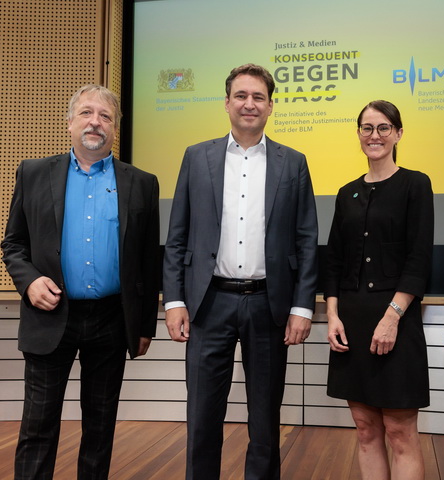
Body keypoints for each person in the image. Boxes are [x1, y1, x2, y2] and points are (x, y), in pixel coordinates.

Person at [163, 63, 318, 480]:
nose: (250, 104)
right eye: (241, 96)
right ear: (227, 102)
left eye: (258, 97)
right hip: (207, 304)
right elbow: (178, 235)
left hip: (269, 306)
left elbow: (306, 240)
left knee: (265, 420)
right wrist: (175, 300)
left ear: (271, 106)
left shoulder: (294, 163)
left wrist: (303, 308)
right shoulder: (197, 157)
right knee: (201, 416)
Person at [1, 84, 160, 479]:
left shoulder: (142, 182)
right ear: (70, 122)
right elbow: (14, 244)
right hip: (50, 315)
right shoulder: (34, 173)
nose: (95, 122)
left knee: (100, 427)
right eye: (87, 113)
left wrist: (143, 327)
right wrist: (30, 281)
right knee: (38, 426)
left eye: (105, 116)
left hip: (111, 319)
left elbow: (147, 261)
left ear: (115, 128)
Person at [325, 100, 434, 480]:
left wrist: (392, 318)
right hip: (351, 322)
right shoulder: (346, 193)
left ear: (398, 133)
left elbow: (419, 259)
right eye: (367, 128)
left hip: (397, 321)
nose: (375, 135)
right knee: (366, 429)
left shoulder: (415, 185)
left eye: (383, 127)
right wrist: (332, 316)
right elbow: (335, 261)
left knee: (400, 433)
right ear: (358, 135)